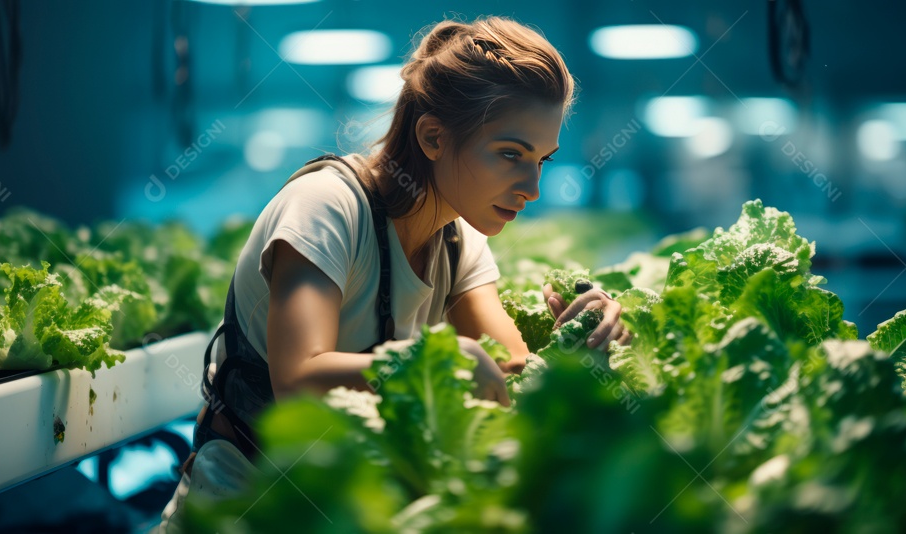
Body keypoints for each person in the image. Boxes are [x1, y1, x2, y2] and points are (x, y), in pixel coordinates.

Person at [155, 15, 631, 532]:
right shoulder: (327, 206)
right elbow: (298, 381)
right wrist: (432, 362)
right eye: (510, 154)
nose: (532, 187)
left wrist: (577, 346)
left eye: (542, 160)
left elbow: (508, 376)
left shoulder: (458, 239)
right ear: (432, 137)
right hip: (241, 508)